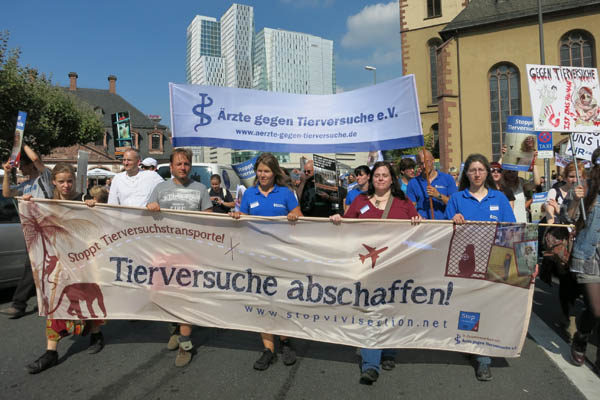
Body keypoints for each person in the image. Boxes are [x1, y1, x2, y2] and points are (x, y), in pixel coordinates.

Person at [331, 161, 421, 385]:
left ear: (392, 179)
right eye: (377, 175)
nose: (381, 178)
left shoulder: (403, 202)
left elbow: (419, 228)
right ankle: (371, 364)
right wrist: (338, 220)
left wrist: (418, 221)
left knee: (392, 308)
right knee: (369, 311)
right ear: (372, 179)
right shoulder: (359, 201)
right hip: (367, 268)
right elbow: (347, 224)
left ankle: (389, 351)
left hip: (395, 266)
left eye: (385, 175)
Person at [23, 163, 104, 374]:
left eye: (69, 181)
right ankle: (51, 351)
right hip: (60, 262)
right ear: (54, 182)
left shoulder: (83, 200)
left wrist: (92, 206)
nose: (66, 185)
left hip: (85, 259)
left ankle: (96, 333)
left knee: (90, 298)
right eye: (61, 181)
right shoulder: (47, 203)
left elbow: (97, 227)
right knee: (55, 303)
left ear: (74, 180)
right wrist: (28, 205)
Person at [444, 153, 516, 381]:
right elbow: (443, 232)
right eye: (472, 170)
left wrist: (524, 263)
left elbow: (511, 230)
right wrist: (451, 221)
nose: (477, 174)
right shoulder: (457, 198)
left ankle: (483, 358)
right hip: (465, 262)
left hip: (494, 261)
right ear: (466, 174)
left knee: (488, 307)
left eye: (481, 170)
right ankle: (469, 342)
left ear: (487, 173)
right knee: (467, 305)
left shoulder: (500, 198)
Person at [230, 153, 302, 371]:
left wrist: (293, 216)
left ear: (274, 173)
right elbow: (241, 218)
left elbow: (299, 215)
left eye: (267, 171)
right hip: (257, 257)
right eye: (260, 171)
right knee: (262, 301)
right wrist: (236, 216)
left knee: (282, 299)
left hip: (281, 256)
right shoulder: (249, 193)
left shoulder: (286, 193)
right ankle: (268, 349)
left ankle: (286, 341)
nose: (263, 175)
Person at [146, 148, 213, 367]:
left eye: (186, 164)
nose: (183, 167)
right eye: (179, 164)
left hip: (190, 253)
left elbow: (209, 222)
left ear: (190, 166)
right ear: (171, 167)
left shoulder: (201, 189)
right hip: (163, 251)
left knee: (185, 297)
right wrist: (151, 207)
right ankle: (174, 329)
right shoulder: (160, 188)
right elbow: (145, 216)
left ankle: (185, 343)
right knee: (162, 295)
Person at [0, 145, 53, 319]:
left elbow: (37, 159)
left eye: (22, 164)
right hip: (34, 229)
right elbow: (7, 193)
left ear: (30, 165)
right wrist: (7, 173)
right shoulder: (26, 184)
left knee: (33, 266)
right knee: (36, 266)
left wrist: (20, 142)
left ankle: (19, 304)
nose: (20, 168)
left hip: (47, 228)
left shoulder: (44, 178)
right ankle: (47, 301)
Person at [569, 148, 600, 371]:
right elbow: (568, 218)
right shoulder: (587, 188)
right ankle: (581, 336)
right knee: (596, 310)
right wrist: (574, 200)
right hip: (589, 255)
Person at [406, 149, 457, 219]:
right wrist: (417, 216)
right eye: (421, 163)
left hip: (444, 224)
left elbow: (455, 204)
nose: (424, 166)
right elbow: (410, 207)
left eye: (427, 162)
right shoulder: (413, 183)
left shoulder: (447, 179)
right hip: (423, 225)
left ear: (433, 160)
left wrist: (438, 195)